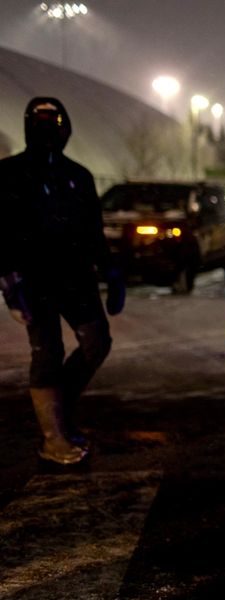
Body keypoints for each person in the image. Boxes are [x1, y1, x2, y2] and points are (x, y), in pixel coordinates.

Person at [0, 97, 124, 466]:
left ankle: (58, 406)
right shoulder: (9, 174)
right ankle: (53, 438)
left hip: (76, 279)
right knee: (47, 351)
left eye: (53, 124)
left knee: (96, 341)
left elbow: (94, 233)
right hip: (33, 281)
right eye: (39, 124)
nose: (47, 132)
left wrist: (111, 272)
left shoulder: (78, 176)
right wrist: (10, 286)